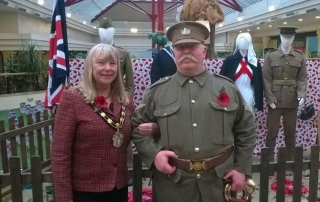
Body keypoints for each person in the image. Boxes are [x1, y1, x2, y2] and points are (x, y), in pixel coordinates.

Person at [131, 21, 256, 202]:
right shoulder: (157, 92)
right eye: (180, 47)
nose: (186, 51)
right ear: (173, 52)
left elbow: (246, 130)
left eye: (192, 46)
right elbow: (137, 127)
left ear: (204, 51)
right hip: (173, 185)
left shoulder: (227, 88)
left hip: (218, 182)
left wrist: (241, 168)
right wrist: (155, 154)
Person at [51, 43, 157, 202]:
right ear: (90, 66)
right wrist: (64, 198)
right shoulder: (72, 98)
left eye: (113, 63)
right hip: (84, 192)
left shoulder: (125, 99)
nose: (108, 68)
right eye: (101, 63)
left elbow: (136, 130)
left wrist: (155, 128)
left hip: (118, 188)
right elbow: (60, 154)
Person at [263, 26, 308, 161]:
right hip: (275, 101)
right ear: (280, 37)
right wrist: (270, 99)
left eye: (290, 37)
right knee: (272, 132)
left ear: (293, 38)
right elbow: (266, 78)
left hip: (292, 99)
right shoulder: (271, 56)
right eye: (284, 37)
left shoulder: (300, 57)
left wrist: (301, 95)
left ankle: (291, 161)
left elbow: (302, 78)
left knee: (290, 133)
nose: (287, 40)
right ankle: (269, 162)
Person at [220, 32, 263, 112]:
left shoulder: (254, 62)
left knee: (249, 117)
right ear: (237, 43)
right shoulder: (230, 60)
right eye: (240, 41)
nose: (242, 44)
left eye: (245, 42)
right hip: (233, 93)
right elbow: (222, 79)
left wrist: (257, 100)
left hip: (249, 93)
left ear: (249, 44)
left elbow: (258, 83)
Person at [99, 17, 135, 96]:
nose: (104, 36)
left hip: (118, 95)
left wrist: (128, 99)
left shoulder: (123, 53)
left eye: (108, 32)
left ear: (113, 32)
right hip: (98, 97)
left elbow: (130, 83)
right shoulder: (93, 54)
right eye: (101, 32)